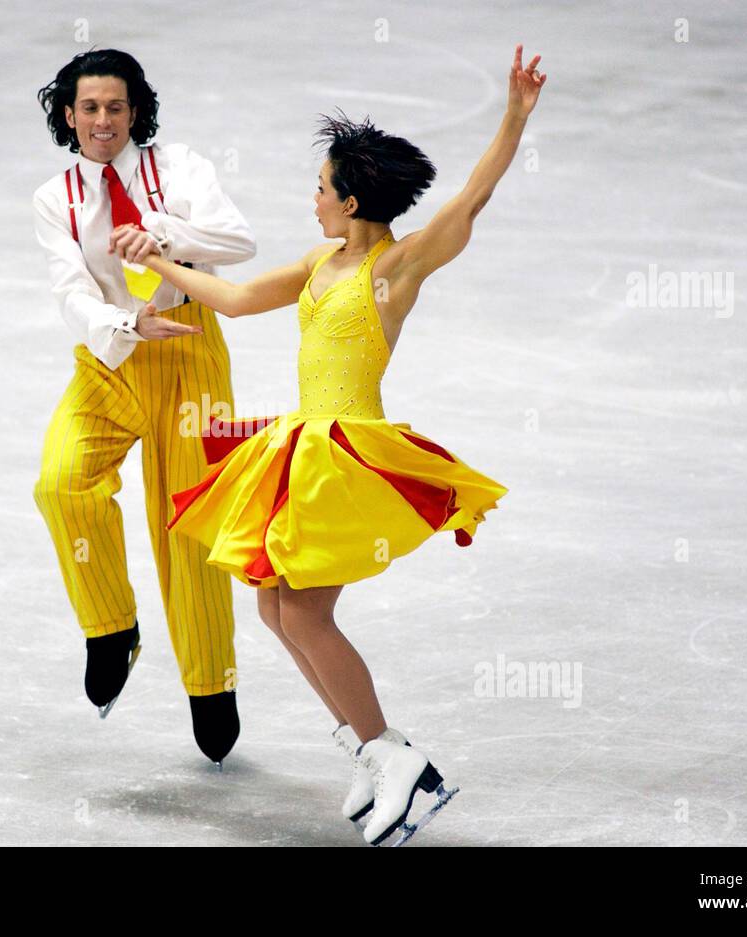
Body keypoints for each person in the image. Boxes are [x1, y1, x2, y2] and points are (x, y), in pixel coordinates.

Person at [123, 46, 546, 841]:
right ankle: (368, 748)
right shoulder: (322, 260)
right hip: (302, 446)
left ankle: (394, 755)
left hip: (349, 455)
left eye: (321, 188)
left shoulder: (394, 269)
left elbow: (472, 200)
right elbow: (243, 297)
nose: (311, 198)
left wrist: (514, 117)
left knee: (306, 613)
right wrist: (164, 260)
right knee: (276, 606)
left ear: (350, 200)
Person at [31, 49, 257, 765]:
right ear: (68, 115)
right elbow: (71, 293)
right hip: (110, 356)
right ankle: (110, 626)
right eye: (89, 108)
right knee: (61, 482)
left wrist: (163, 233)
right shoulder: (57, 198)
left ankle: (210, 685)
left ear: (136, 112)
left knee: (188, 525)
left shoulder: (181, 168)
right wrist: (126, 326)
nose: (103, 120)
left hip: (188, 352)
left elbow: (239, 241)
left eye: (116, 107)